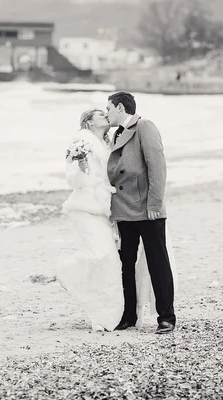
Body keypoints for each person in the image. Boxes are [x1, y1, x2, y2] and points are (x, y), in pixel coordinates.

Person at [105, 91, 177, 335]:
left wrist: (155, 204)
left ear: (120, 108)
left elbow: (157, 166)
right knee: (126, 264)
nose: (106, 113)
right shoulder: (116, 133)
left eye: (109, 108)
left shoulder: (144, 126)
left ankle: (166, 317)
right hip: (124, 208)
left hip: (147, 209)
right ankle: (128, 316)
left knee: (158, 263)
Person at [58, 109, 124, 332]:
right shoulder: (80, 141)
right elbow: (71, 178)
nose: (105, 115)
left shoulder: (105, 143)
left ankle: (103, 316)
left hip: (102, 208)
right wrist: (81, 170)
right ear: (88, 122)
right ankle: (67, 271)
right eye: (99, 113)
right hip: (84, 207)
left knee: (110, 262)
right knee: (100, 255)